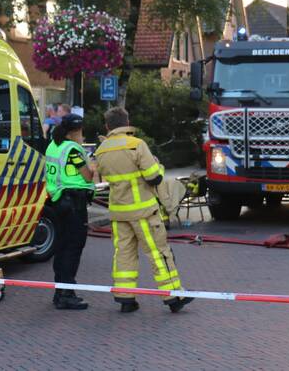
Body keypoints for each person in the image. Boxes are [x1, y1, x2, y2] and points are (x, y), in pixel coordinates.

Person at [94, 106, 192, 314]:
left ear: (107, 126)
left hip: (119, 212)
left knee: (124, 253)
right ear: (127, 122)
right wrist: (157, 166)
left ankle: (125, 297)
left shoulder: (101, 151)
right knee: (158, 253)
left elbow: (103, 178)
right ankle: (174, 295)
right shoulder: (136, 145)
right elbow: (153, 177)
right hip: (143, 212)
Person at [44, 113, 95, 310]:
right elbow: (88, 176)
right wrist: (92, 165)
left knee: (62, 248)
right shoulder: (73, 149)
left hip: (58, 202)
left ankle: (60, 291)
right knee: (73, 249)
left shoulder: (53, 145)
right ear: (75, 132)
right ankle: (66, 294)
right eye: (81, 132)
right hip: (74, 204)